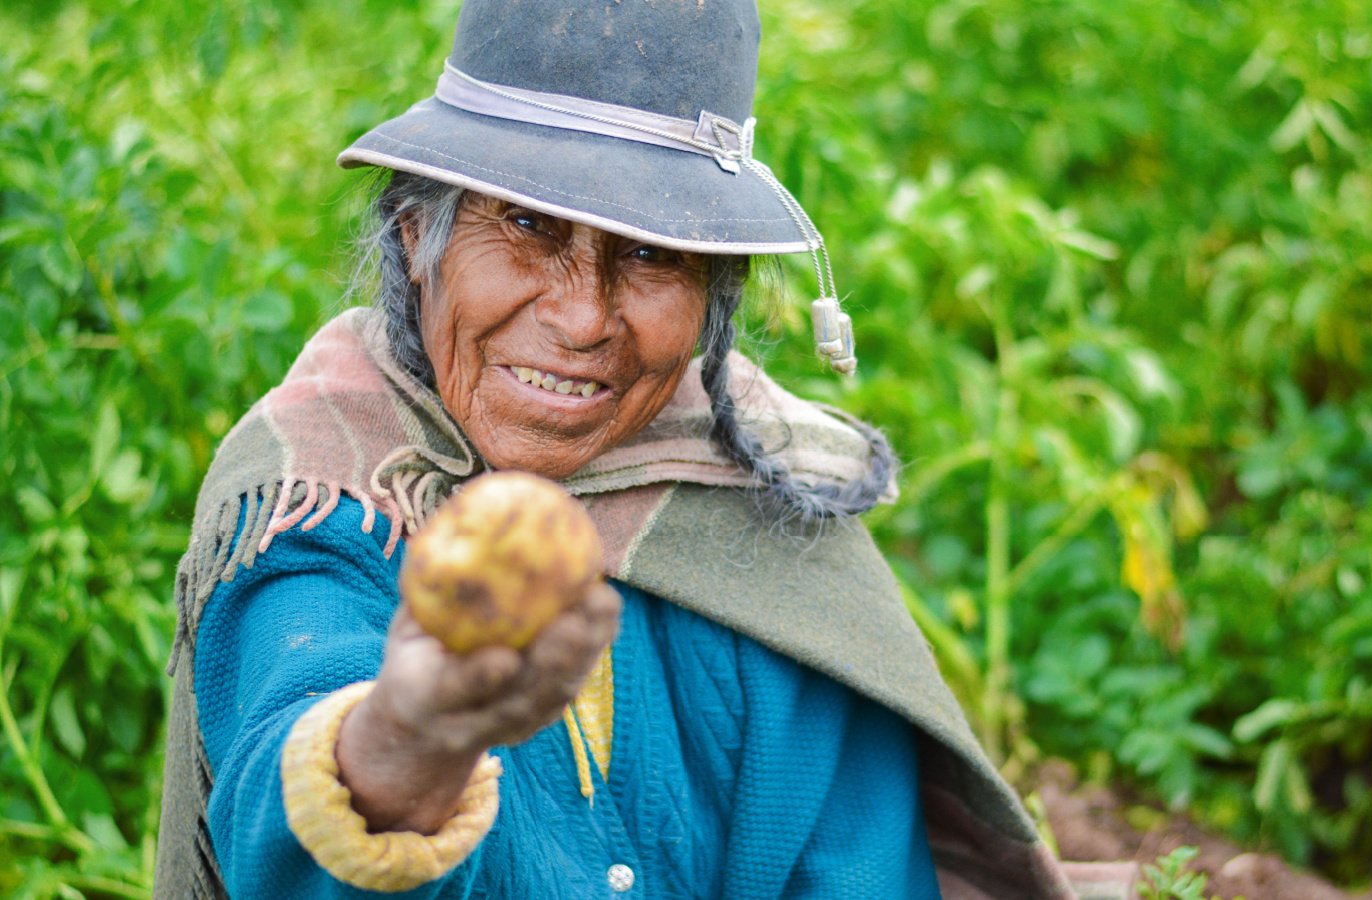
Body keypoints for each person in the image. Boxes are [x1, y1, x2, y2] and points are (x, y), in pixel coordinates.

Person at [155, 1, 1114, 897]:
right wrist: (409, 742)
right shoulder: (321, 493)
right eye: (528, 226)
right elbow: (281, 801)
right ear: (417, 238)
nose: (581, 319)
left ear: (713, 299)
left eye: (653, 254)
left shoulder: (767, 525)